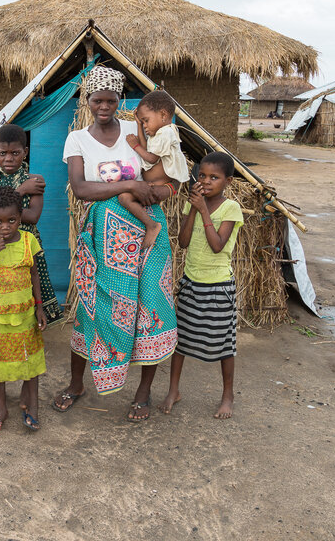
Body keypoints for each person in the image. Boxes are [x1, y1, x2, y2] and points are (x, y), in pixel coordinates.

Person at [56, 65, 185, 422]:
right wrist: (128, 187)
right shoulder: (77, 139)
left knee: (149, 308)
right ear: (88, 100)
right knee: (92, 308)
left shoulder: (135, 129)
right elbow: (81, 188)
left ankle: (143, 393)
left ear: (119, 100)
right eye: (97, 99)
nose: (104, 106)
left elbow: (162, 166)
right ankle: (77, 384)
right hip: (103, 236)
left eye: (111, 100)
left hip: (147, 228)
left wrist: (161, 189)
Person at [0, 124, 62, 414]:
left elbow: (33, 217)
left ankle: (28, 382)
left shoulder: (36, 178)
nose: (9, 158)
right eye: (3, 153)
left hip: (27, 248)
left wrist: (10, 202)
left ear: (25, 152)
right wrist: (19, 191)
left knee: (29, 318)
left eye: (15, 152)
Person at [158, 152, 243, 419]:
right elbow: (182, 242)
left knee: (223, 346)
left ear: (227, 181)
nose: (206, 182)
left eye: (214, 177)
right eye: (202, 176)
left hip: (218, 287)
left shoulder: (231, 209)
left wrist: (203, 209)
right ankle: (174, 390)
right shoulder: (193, 204)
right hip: (191, 283)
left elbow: (218, 246)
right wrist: (194, 208)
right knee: (180, 342)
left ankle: (227, 396)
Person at [0, 186, 48, 434]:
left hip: (26, 314)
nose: (5, 227)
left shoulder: (28, 240)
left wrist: (39, 307)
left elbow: (35, 274)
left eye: (12, 220)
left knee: (30, 361)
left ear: (20, 217)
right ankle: (2, 409)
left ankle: (34, 407)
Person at [120, 90, 190, 249]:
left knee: (125, 198)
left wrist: (135, 145)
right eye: (142, 122)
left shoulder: (166, 132)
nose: (145, 125)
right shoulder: (159, 133)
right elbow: (147, 150)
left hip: (165, 186)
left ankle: (151, 225)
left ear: (163, 115)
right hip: (157, 185)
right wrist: (138, 125)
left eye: (146, 121)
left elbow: (151, 158)